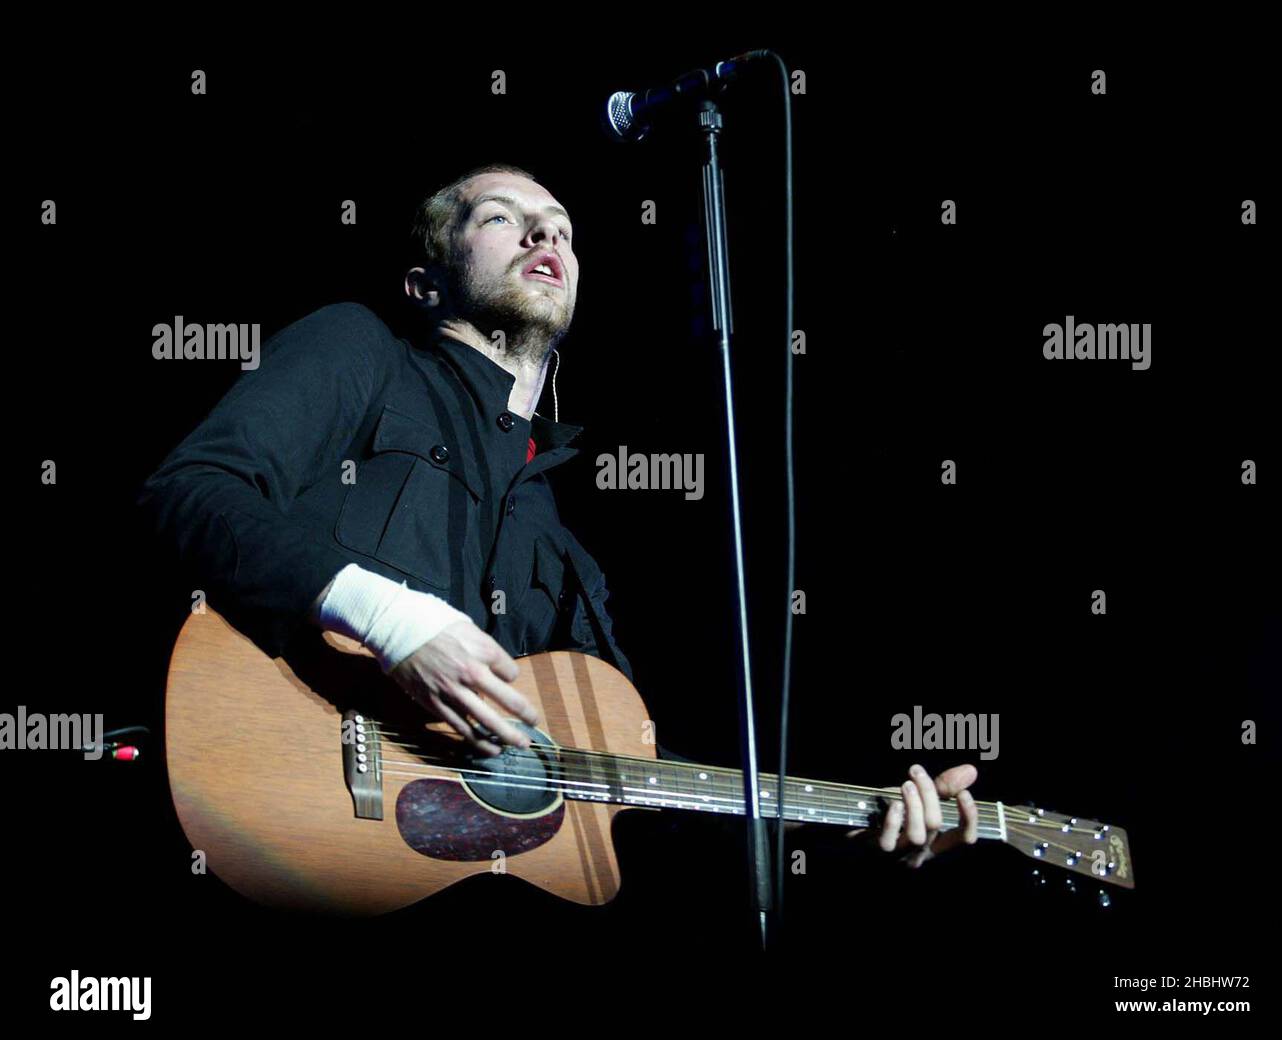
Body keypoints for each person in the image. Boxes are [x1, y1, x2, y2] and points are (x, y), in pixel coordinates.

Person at [136, 162, 978, 870]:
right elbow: (188, 493)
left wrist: (856, 821)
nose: (546, 238)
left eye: (563, 230)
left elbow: (622, 784)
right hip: (269, 794)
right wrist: (390, 620)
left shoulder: (560, 534)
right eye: (504, 219)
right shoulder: (361, 351)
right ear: (424, 281)